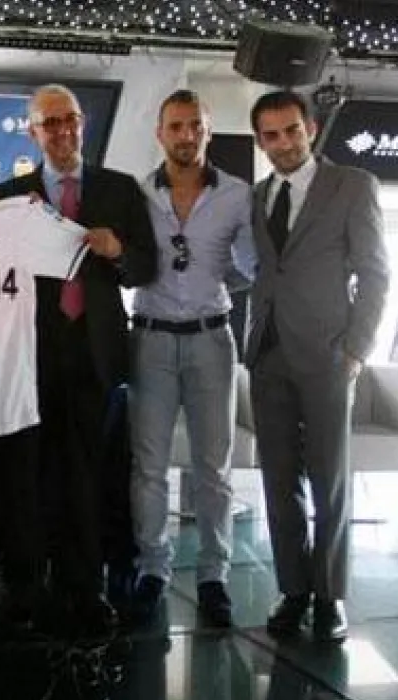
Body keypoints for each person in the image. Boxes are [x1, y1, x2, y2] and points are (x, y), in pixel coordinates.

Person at [0, 84, 157, 638]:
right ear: (32, 132)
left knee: (88, 477)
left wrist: (118, 250)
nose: (63, 131)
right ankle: (22, 588)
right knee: (23, 475)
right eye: (50, 122)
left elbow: (145, 268)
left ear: (82, 124)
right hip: (27, 357)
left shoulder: (120, 188)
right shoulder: (9, 197)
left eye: (70, 120)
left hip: (95, 354)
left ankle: (84, 589)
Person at [247, 90, 388, 643]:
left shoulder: (352, 185)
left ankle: (330, 596)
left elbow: (375, 273)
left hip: (329, 354)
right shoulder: (258, 195)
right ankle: (293, 589)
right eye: (271, 135)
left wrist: (356, 350)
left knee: (330, 479)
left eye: (292, 130)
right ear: (261, 141)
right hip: (268, 353)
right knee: (278, 481)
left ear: (310, 128)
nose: (284, 143)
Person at [127, 89, 256, 627]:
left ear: (208, 131)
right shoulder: (136, 194)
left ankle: (212, 576)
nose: (186, 135)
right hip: (151, 339)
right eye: (176, 126)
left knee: (213, 467)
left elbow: (253, 267)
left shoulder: (239, 195)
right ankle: (152, 568)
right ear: (160, 133)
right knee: (148, 466)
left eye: (195, 126)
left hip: (210, 339)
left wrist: (213, 283)